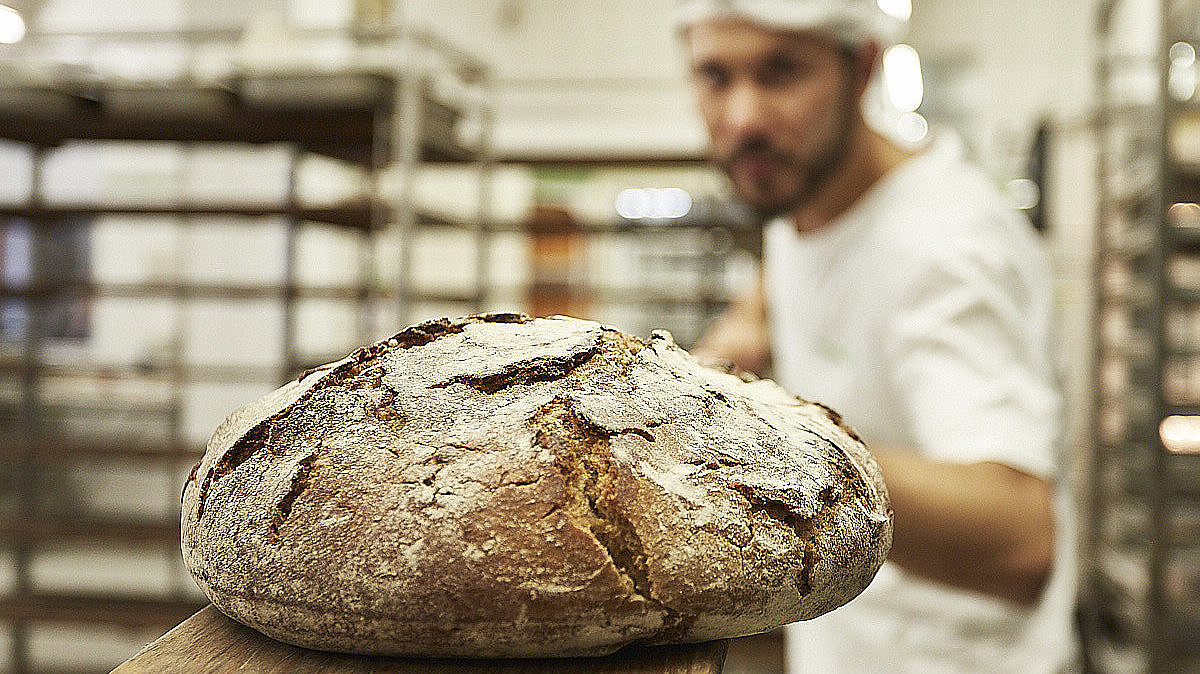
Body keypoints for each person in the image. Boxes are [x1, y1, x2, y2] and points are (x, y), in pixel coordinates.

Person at [672, 1, 1079, 672]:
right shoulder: (806, 196)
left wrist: (766, 439)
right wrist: (725, 350)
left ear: (862, 69)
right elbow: (784, 287)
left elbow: (1020, 540)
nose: (743, 117)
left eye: (781, 72)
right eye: (715, 75)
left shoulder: (944, 249)